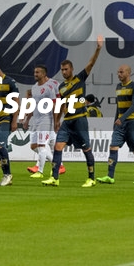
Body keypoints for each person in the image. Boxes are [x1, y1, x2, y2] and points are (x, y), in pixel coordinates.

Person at [47, 36, 103, 187]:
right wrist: (57, 120)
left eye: (66, 69)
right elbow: (61, 104)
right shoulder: (61, 87)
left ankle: (91, 178)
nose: (64, 72)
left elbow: (91, 64)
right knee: (58, 147)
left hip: (80, 119)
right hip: (67, 121)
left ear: (71, 69)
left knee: (86, 149)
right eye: (62, 70)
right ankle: (55, 177)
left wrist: (98, 48)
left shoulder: (80, 79)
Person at [97, 64, 134, 185]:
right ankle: (110, 176)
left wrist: (122, 118)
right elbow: (118, 106)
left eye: (121, 72)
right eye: (118, 72)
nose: (119, 74)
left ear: (128, 73)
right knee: (113, 146)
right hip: (120, 123)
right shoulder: (118, 86)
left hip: (132, 122)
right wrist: (116, 121)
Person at [23, 64, 58, 181]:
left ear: (44, 74)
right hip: (36, 120)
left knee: (42, 146)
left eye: (37, 72)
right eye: (34, 72)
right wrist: (27, 119)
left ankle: (40, 171)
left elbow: (54, 105)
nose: (35, 74)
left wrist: (56, 121)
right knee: (33, 146)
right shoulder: (34, 88)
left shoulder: (49, 88)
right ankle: (55, 162)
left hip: (46, 119)